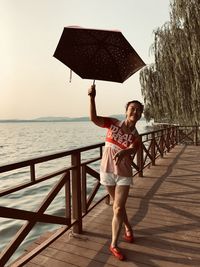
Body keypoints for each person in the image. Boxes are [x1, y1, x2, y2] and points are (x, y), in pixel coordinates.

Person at [88, 84, 144, 261]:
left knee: (118, 207)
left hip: (124, 174)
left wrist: (124, 151)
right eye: (132, 108)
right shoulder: (112, 123)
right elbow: (94, 119)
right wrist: (92, 98)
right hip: (106, 171)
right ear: (126, 111)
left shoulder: (136, 136)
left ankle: (113, 244)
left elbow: (132, 150)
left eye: (138, 110)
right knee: (117, 207)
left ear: (141, 115)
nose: (134, 112)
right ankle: (128, 227)